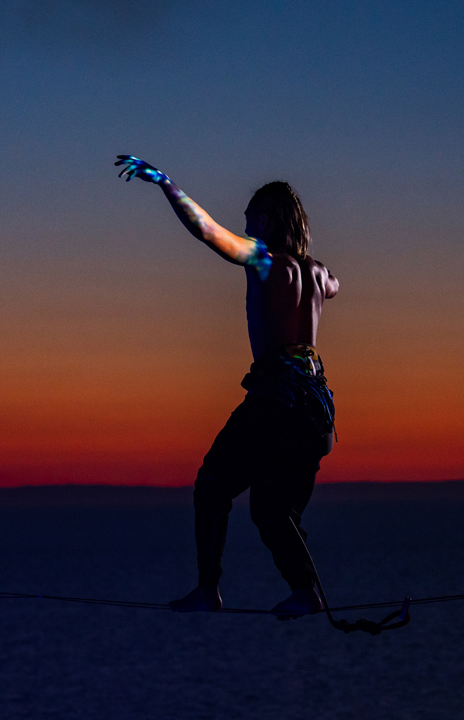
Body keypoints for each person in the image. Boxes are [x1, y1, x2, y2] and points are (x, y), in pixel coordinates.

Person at [114, 155, 339, 619]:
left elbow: (207, 231)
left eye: (251, 217)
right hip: (316, 409)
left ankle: (208, 590)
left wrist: (165, 183)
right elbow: (336, 284)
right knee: (272, 511)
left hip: (277, 399)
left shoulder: (261, 259)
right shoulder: (317, 274)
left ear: (269, 219)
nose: (245, 226)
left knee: (212, 486)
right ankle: (308, 592)